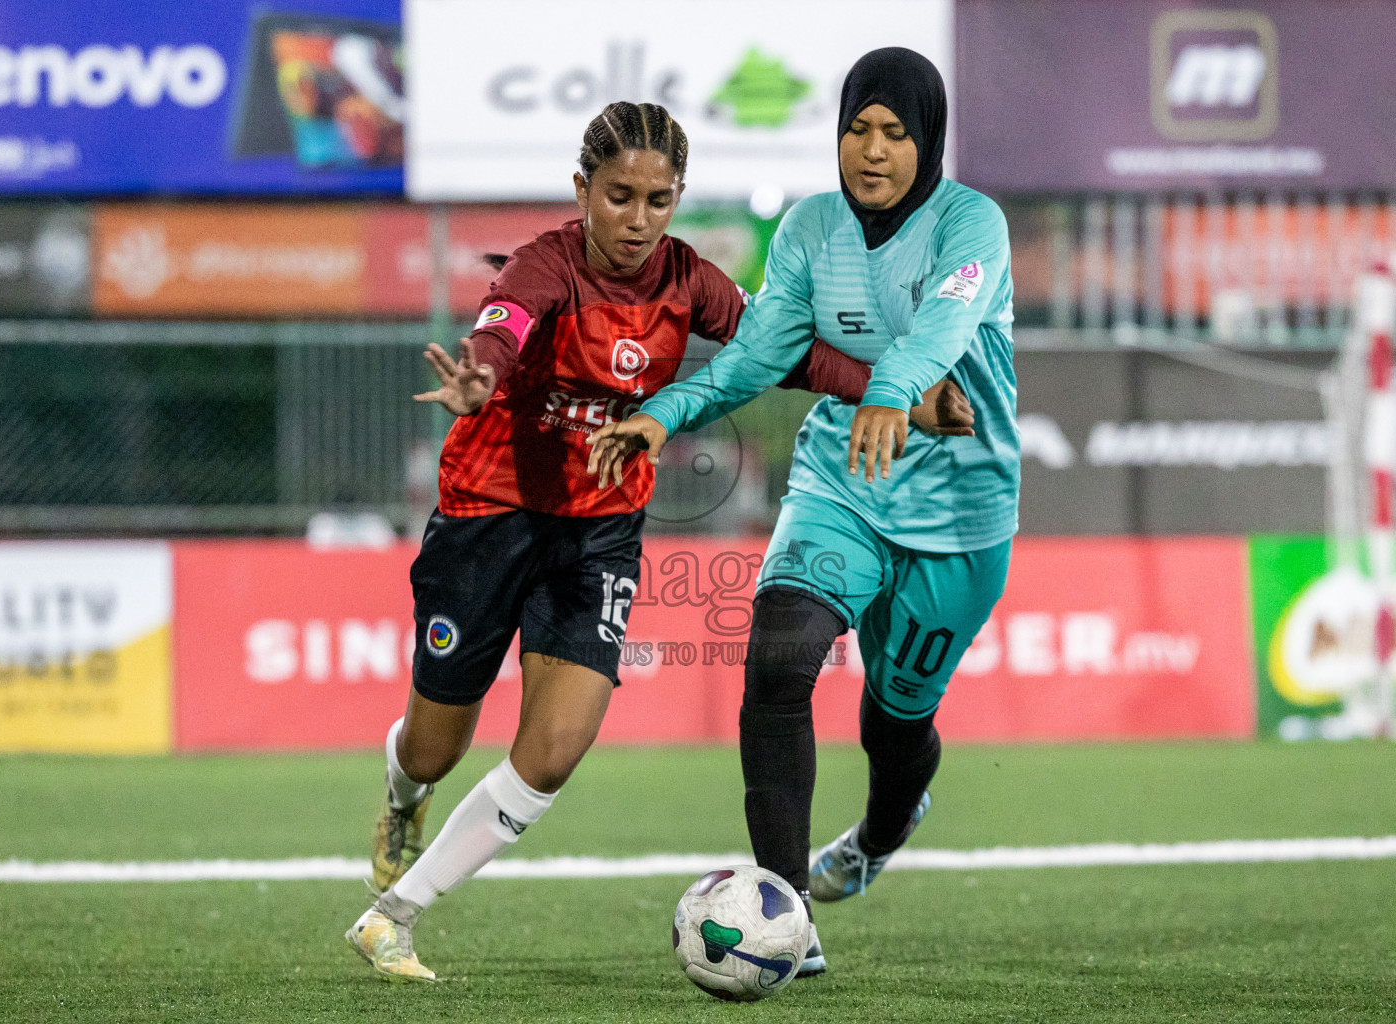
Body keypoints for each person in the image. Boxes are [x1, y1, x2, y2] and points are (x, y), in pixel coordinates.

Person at [345, 99, 968, 984]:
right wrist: (482, 374)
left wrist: (894, 394)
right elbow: (504, 328)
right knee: (434, 747)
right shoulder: (545, 265)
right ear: (581, 190)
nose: (637, 220)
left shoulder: (689, 280)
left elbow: (781, 354)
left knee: (555, 750)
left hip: (598, 533)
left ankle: (393, 915)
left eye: (658, 199)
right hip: (488, 517)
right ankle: (403, 798)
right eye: (618, 196)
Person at [587, 48, 1019, 978]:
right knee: (778, 663)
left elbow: (944, 329)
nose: (871, 152)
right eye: (856, 129)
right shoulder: (810, 227)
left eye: (894, 134)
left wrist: (890, 390)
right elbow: (753, 355)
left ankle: (881, 831)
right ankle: (788, 913)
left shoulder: (971, 224)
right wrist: (662, 414)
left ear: (927, 140)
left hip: (959, 516)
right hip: (841, 487)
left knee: (895, 722)